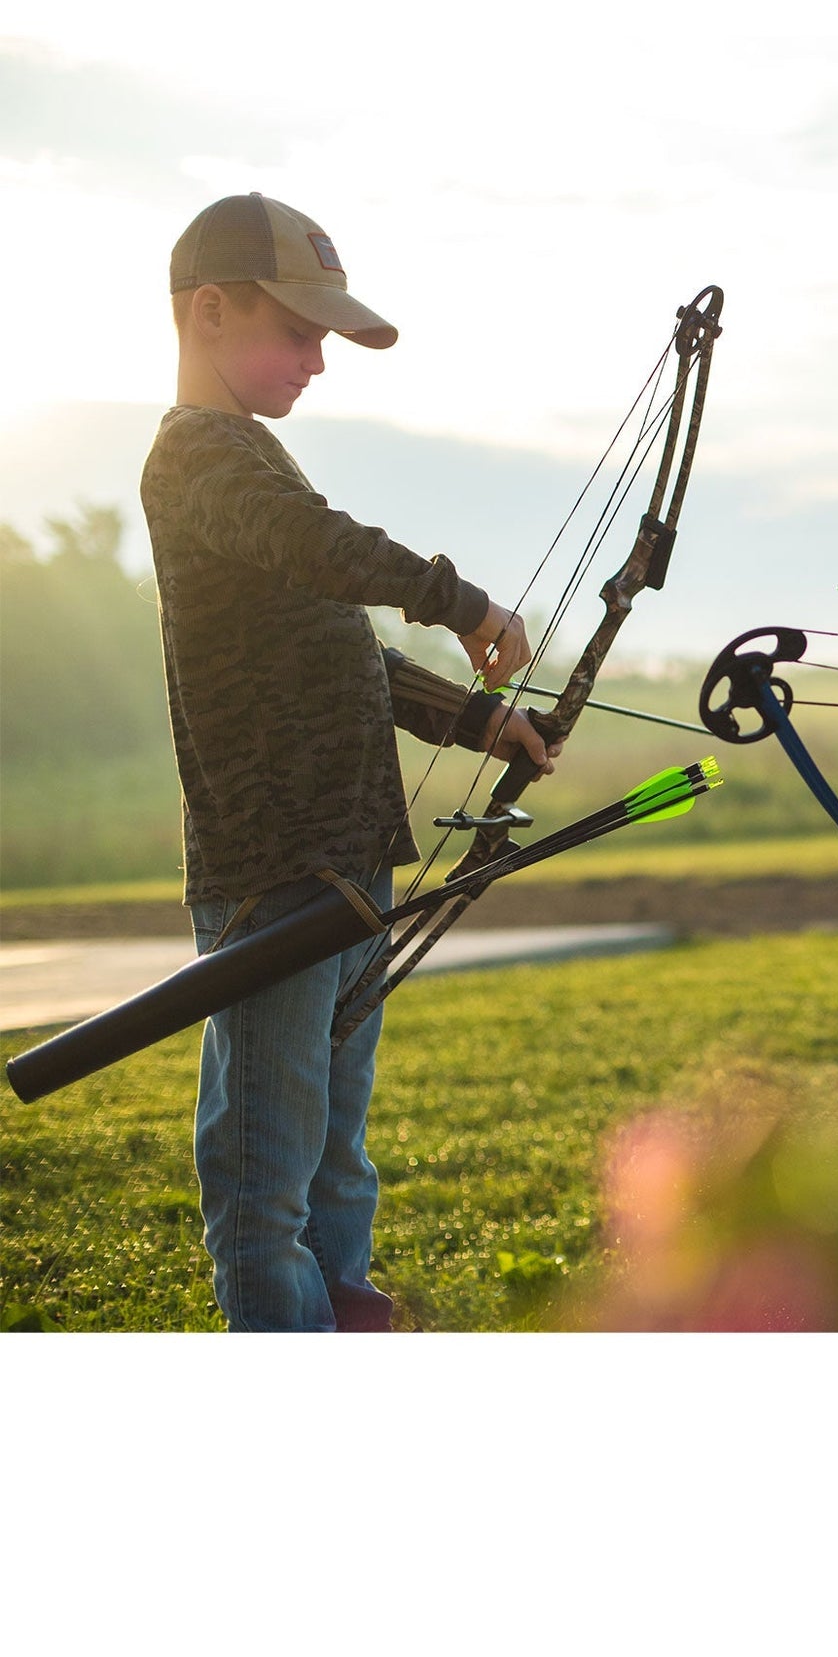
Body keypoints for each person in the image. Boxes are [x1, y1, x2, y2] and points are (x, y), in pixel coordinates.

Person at [144, 191, 557, 1331]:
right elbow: (317, 550)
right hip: (275, 872)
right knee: (262, 1174)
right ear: (211, 311)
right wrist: (453, 595)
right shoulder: (197, 458)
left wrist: (477, 724)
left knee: (335, 1154)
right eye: (299, 329)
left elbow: (337, 647)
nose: (318, 358)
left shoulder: (253, 457)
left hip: (346, 866)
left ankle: (346, 1312)